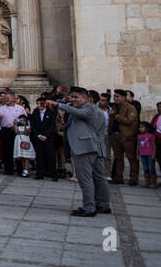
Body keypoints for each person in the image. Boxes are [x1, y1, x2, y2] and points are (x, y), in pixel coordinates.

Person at [57, 87, 111, 217]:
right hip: (93, 147)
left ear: (87, 98)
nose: (72, 100)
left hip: (87, 147)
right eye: (71, 97)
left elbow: (87, 121)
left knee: (86, 179)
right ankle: (102, 204)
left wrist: (60, 105)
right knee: (98, 177)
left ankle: (89, 207)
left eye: (76, 97)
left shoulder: (91, 110)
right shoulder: (83, 110)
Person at [109, 89, 139, 186]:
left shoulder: (130, 108)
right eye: (114, 96)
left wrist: (116, 116)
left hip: (126, 136)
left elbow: (129, 120)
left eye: (117, 96)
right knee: (118, 157)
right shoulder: (114, 107)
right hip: (115, 135)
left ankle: (133, 178)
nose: (115, 98)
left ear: (123, 97)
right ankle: (118, 177)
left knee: (131, 157)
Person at [30, 95, 59, 180]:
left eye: (41, 104)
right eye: (38, 104)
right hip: (38, 138)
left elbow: (52, 125)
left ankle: (53, 174)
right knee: (39, 156)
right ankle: (40, 173)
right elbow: (33, 125)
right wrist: (38, 135)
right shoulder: (35, 112)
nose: (39, 106)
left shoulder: (51, 112)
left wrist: (46, 135)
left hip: (48, 138)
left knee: (50, 156)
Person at [13, 112, 36, 177]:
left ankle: (26, 170)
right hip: (19, 140)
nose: (22, 121)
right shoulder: (18, 126)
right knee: (21, 157)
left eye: (24, 120)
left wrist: (25, 125)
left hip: (26, 140)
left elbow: (26, 132)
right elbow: (16, 132)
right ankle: (24, 169)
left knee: (26, 157)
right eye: (21, 120)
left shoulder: (28, 126)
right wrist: (15, 124)